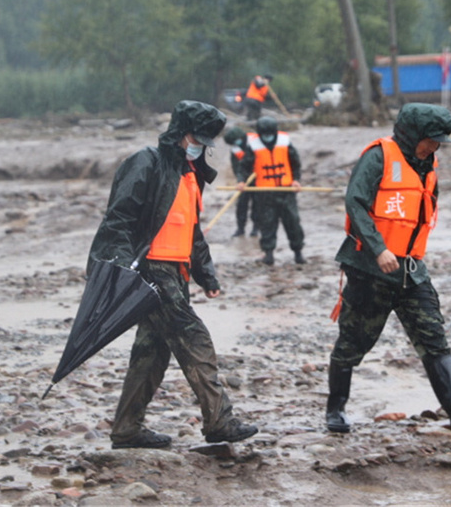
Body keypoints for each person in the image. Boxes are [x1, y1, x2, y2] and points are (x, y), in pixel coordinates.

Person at [87, 100, 258, 449]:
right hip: (150, 269)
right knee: (194, 339)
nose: (201, 148)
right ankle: (219, 421)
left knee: (151, 352)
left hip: (175, 271)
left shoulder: (190, 175)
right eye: (197, 139)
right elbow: (118, 219)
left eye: (206, 143)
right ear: (181, 133)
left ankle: (126, 429)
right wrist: (117, 268)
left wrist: (205, 276)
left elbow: (192, 232)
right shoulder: (147, 163)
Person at [326, 103, 451, 435]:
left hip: (411, 270)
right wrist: (379, 249)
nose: (435, 146)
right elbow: (356, 202)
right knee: (353, 342)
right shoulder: (378, 156)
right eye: (431, 140)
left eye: (439, 141)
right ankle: (335, 409)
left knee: (433, 335)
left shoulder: (427, 165)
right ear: (412, 135)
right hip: (370, 269)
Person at [241, 116, 306, 266]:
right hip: (265, 193)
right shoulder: (253, 145)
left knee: (293, 222)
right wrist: (241, 181)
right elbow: (244, 166)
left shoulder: (285, 141)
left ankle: (298, 252)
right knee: (267, 223)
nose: (267, 137)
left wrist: (296, 179)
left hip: (286, 190)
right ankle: (268, 254)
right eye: (264, 134)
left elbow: (295, 163)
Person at [223, 126, 259, 238]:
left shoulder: (256, 141)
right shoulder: (235, 148)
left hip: (259, 177)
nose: (236, 143)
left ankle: (256, 228)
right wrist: (240, 181)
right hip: (244, 179)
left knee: (257, 204)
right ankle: (240, 229)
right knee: (241, 204)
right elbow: (236, 167)